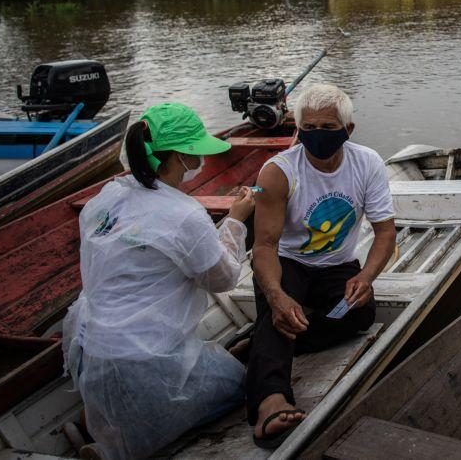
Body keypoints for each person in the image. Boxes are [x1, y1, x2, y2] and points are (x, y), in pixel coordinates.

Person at [62, 103, 255, 460]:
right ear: (180, 157)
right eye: (193, 154)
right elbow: (224, 278)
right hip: (144, 358)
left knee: (127, 407)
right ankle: (117, 450)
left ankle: (103, 430)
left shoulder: (103, 199)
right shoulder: (184, 214)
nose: (198, 162)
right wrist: (235, 220)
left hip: (90, 351)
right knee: (240, 389)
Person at [245, 84, 396, 448]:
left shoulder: (367, 163)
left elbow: (385, 232)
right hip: (289, 262)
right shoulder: (276, 172)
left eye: (329, 128)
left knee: (360, 315)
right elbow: (264, 246)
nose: (318, 136)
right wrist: (277, 295)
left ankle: (255, 348)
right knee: (279, 315)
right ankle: (270, 403)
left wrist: (366, 277)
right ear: (298, 129)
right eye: (309, 127)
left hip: (337, 265)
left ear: (349, 130)